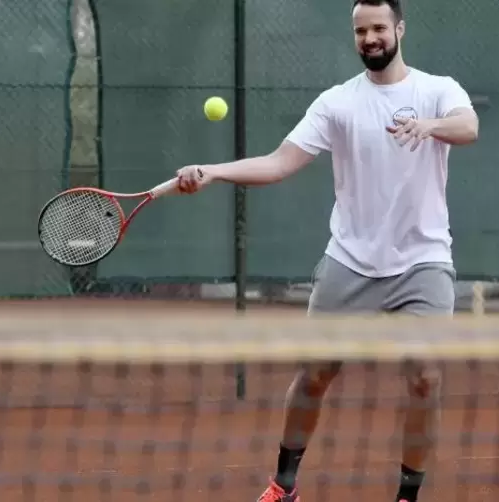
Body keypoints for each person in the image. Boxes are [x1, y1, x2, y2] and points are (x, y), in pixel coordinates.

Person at [176, 0, 479, 499]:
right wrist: (213, 172)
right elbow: (278, 164)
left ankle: (407, 495)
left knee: (426, 379)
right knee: (315, 375)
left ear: (399, 28)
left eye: (379, 27)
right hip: (351, 261)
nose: (370, 38)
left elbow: (468, 126)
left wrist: (430, 126)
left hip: (423, 261)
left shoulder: (437, 90)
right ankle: (284, 483)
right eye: (361, 30)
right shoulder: (337, 102)